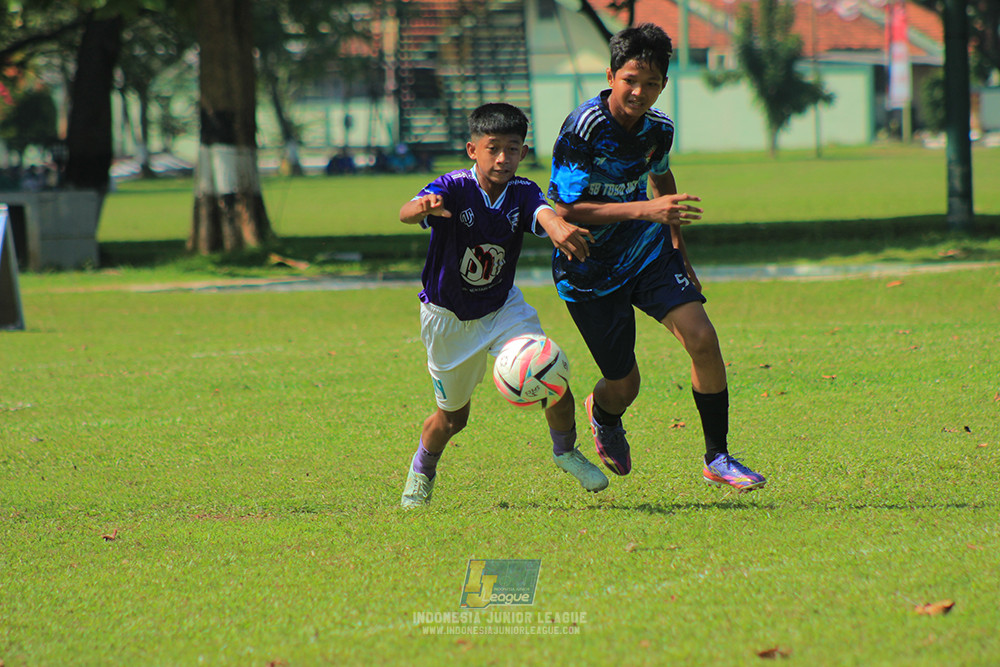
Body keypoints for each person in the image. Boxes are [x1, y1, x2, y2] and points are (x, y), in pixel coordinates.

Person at [547, 23, 766, 492]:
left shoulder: (659, 129)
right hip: (587, 267)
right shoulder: (583, 127)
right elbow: (565, 209)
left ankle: (717, 457)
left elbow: (663, 181)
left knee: (702, 338)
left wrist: (677, 247)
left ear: (664, 84)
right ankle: (604, 414)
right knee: (624, 385)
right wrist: (646, 208)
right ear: (610, 76)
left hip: (647, 252)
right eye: (630, 80)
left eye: (651, 83)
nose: (639, 92)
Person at [399, 103, 608, 509]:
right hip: (448, 321)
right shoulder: (453, 188)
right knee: (453, 420)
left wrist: (559, 228)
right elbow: (407, 211)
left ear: (523, 153)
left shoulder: (523, 192)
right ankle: (421, 472)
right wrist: (420, 209)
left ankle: (565, 451)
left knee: (553, 375)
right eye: (492, 148)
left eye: (512, 149)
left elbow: (544, 213)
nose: (502, 158)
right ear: (471, 149)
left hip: (502, 309)